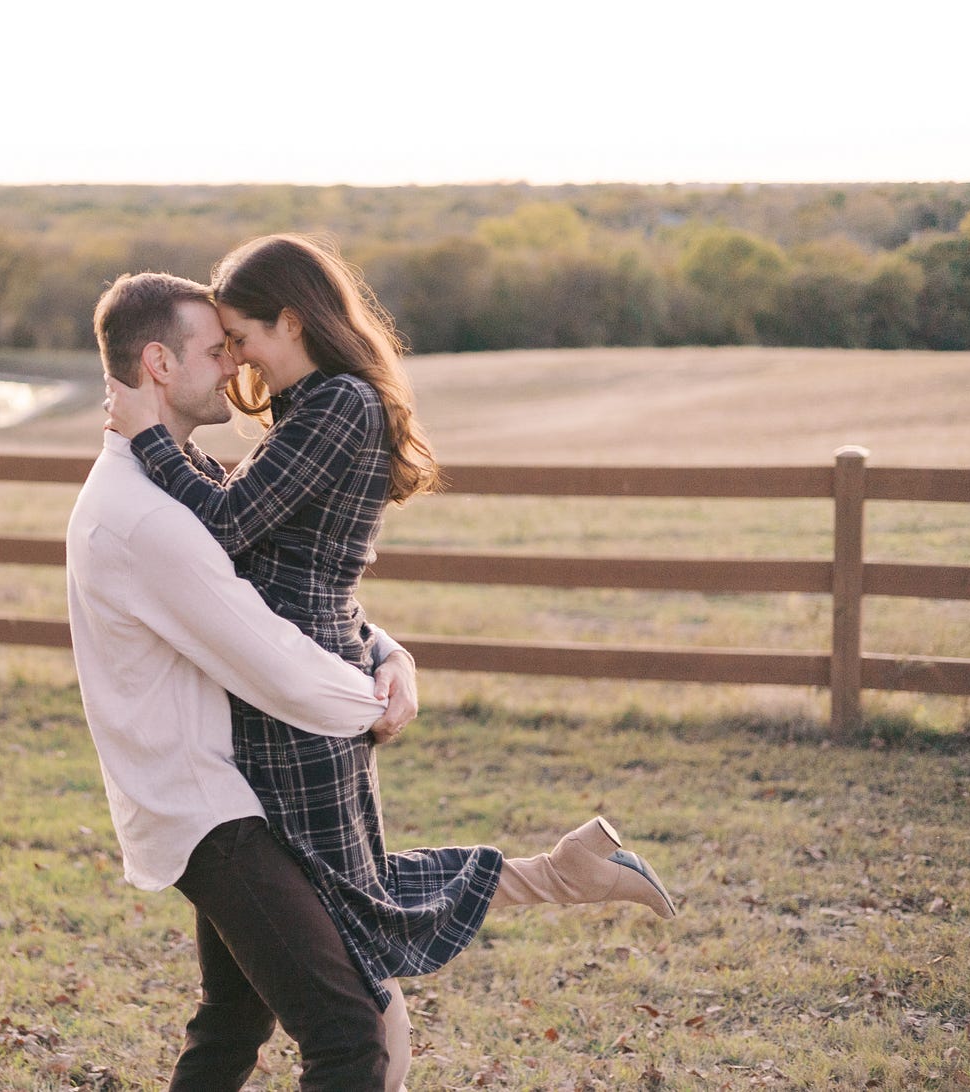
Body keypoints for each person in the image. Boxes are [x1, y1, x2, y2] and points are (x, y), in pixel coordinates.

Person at [106, 235, 676, 1089]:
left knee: (347, 922)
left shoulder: (340, 405)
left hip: (295, 694)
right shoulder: (314, 407)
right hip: (285, 674)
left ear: (290, 321)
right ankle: (563, 871)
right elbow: (266, 536)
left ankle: (562, 875)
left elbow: (226, 527)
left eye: (244, 338)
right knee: (331, 915)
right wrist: (381, 645)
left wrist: (150, 437)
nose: (238, 360)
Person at [68, 270, 424, 1090]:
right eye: (215, 349)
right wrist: (372, 701)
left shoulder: (163, 480)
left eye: (237, 343)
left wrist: (384, 651)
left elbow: (268, 603)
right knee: (346, 1035)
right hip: (209, 808)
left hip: (222, 791)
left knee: (232, 1022)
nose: (234, 365)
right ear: (159, 364)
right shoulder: (148, 516)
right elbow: (273, 661)